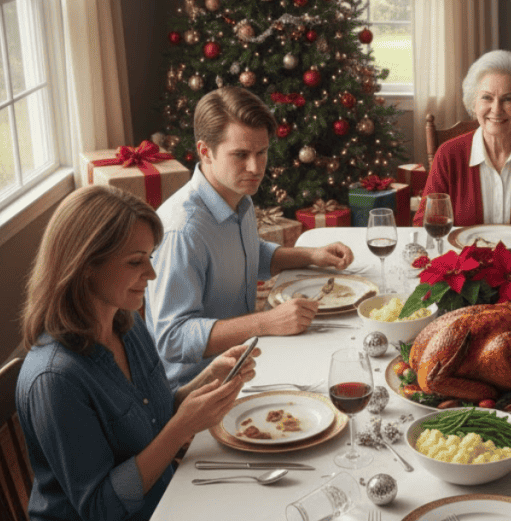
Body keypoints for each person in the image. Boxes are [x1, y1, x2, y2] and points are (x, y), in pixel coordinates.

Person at [17, 185, 259, 521]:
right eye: (136, 262)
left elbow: (152, 417)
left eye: (150, 258)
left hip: (166, 498)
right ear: (85, 265)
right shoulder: (56, 379)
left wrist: (209, 377)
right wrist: (181, 427)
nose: (152, 274)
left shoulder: (127, 324)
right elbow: (100, 508)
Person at [145, 86, 354, 388]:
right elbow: (172, 339)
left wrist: (311, 255)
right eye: (241, 155)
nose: (256, 168)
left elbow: (244, 254)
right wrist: (267, 323)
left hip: (245, 361)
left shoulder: (237, 196)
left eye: (262, 152)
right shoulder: (183, 231)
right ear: (205, 152)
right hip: (199, 390)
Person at [412, 50, 511, 228]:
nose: (496, 110)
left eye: (508, 99)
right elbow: (424, 223)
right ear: (473, 102)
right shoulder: (448, 155)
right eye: (487, 97)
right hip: (462, 256)